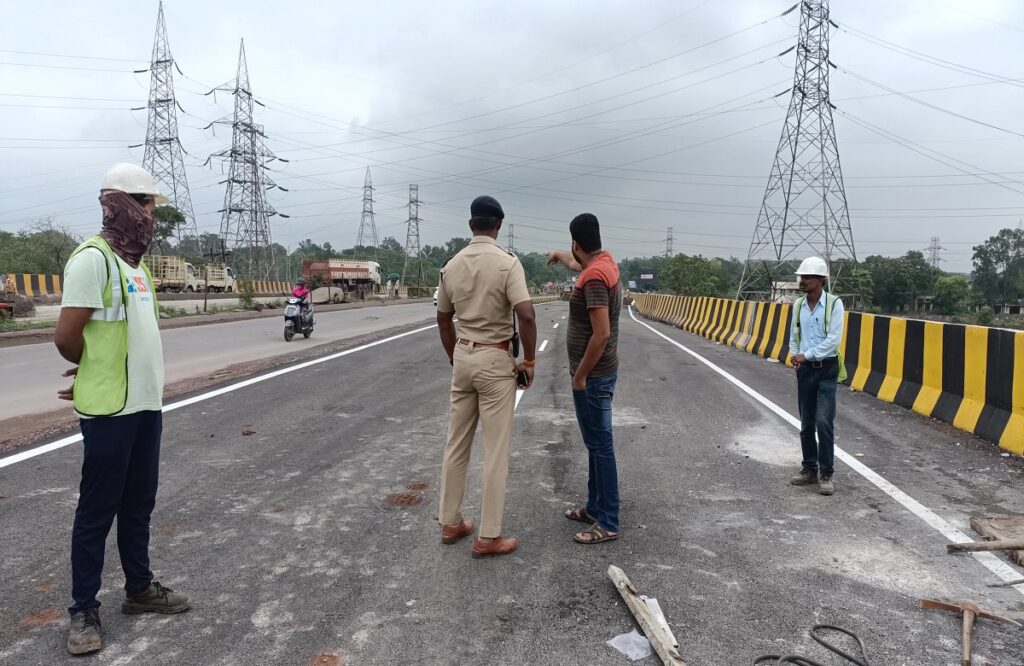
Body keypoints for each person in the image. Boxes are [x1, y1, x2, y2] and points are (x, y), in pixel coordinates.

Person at [55, 163, 191, 655]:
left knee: (139, 503)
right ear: (130, 205)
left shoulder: (135, 266)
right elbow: (67, 338)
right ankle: (82, 611)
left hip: (145, 404)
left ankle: (139, 589)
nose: (154, 217)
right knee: (97, 510)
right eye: (151, 206)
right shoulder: (93, 259)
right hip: (111, 409)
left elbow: (132, 338)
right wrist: (91, 372)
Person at [436, 195, 537, 558]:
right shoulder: (508, 264)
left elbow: (443, 318)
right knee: (495, 451)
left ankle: (451, 522)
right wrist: (528, 361)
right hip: (496, 359)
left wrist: (456, 357)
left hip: (463, 354)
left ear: (470, 225)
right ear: (499, 225)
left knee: (456, 442)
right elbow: (525, 314)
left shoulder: (453, 265)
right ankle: (489, 536)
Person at [546, 213, 622, 545]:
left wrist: (580, 376)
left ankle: (608, 520)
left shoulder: (593, 278)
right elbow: (581, 266)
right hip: (601, 373)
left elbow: (601, 333)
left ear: (577, 244)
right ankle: (595, 507)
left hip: (593, 376)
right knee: (595, 443)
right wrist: (561, 255)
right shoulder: (605, 263)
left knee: (601, 446)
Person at [787, 256, 846, 496]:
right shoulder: (798, 305)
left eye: (808, 277)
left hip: (827, 369)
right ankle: (809, 469)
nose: (804, 281)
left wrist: (807, 355)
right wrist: (795, 356)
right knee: (806, 423)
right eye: (802, 277)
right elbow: (794, 333)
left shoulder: (834, 304)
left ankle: (827, 473)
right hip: (806, 370)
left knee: (824, 421)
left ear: (820, 280)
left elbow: (833, 340)